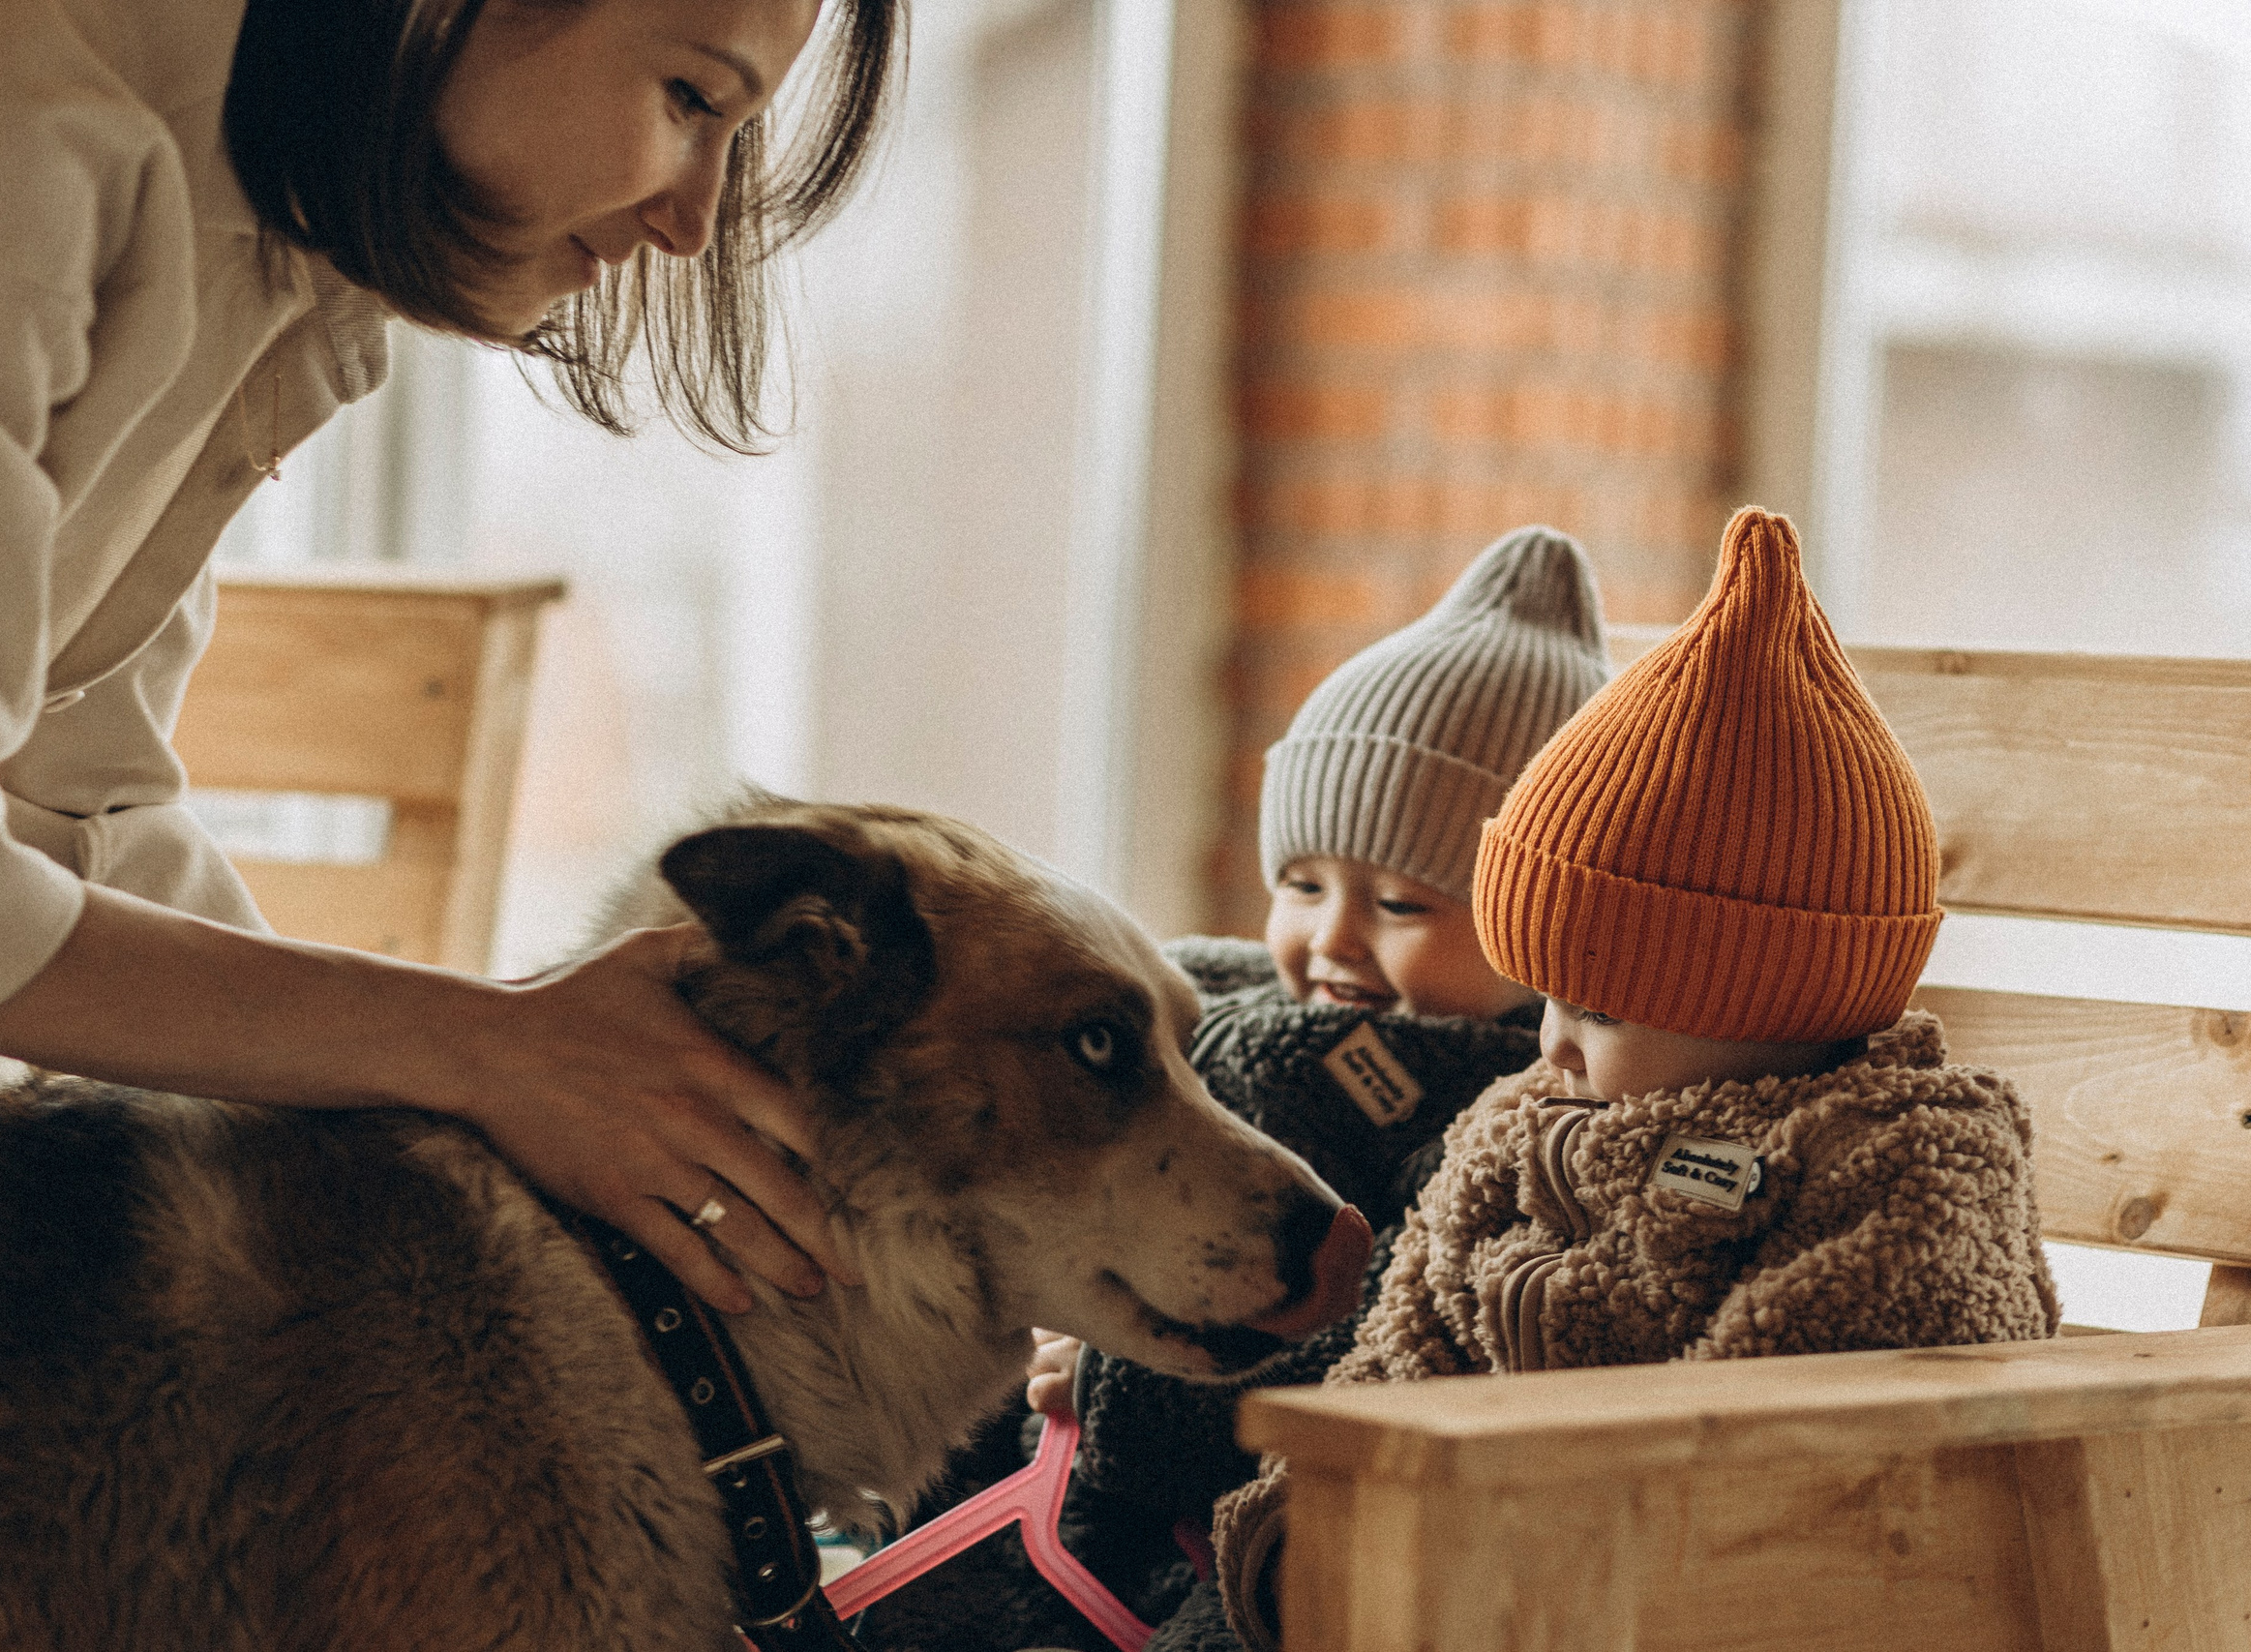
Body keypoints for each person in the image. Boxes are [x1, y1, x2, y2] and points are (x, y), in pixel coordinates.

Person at [0, 0, 899, 1313]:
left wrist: (484, 1117)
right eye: (694, 102)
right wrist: (489, 1049)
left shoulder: (257, 198)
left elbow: (75, 795)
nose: (692, 218)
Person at [1207, 509, 2061, 1652]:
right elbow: (1406, 1346)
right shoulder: (1518, 1128)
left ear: (1767, 1003)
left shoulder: (1893, 1171)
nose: (1549, 1042)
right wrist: (1298, 1528)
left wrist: (1513, 1566)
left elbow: (1784, 1452)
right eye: (1546, 996)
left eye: (1597, 1010)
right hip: (1486, 1584)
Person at [852, 526, 1614, 1652]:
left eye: (1401, 905)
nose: (1332, 938)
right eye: (1301, 885)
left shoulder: (1497, 1114)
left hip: (1216, 1534)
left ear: (1541, 932)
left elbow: (1410, 1333)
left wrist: (1120, 1377)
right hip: (1029, 1491)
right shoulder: (1202, 1008)